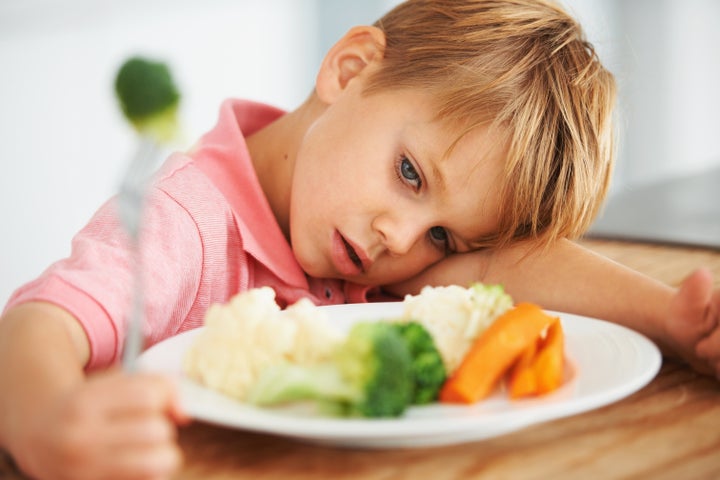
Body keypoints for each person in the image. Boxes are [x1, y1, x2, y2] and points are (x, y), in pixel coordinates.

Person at [1, 0, 718, 478]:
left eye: (444, 235)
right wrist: (44, 424)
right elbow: (38, 325)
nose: (399, 238)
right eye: (409, 173)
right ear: (350, 71)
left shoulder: (378, 237)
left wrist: (669, 320)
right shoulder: (184, 222)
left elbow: (507, 264)